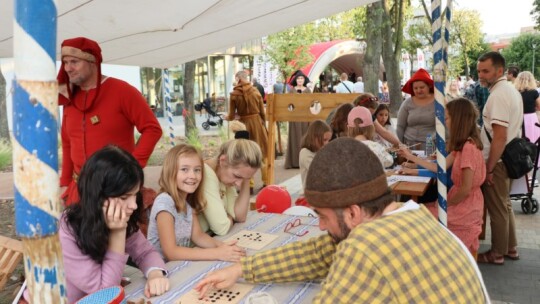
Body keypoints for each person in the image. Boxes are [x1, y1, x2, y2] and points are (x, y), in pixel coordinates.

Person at [194, 138, 488, 303]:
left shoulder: (364, 246)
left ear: (352, 212)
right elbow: (318, 252)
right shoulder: (410, 217)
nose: (319, 226)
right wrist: (243, 268)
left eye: (322, 216)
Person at [57, 37, 162, 206]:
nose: (68, 68)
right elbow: (68, 142)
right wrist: (65, 183)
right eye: (65, 62)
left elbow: (152, 129)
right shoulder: (70, 98)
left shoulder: (122, 91)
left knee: (120, 233)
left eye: (74, 62)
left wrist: (132, 167)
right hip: (79, 191)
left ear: (92, 62)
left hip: (117, 190)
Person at [59, 146, 169, 303]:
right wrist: (117, 234)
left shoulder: (118, 217)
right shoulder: (68, 230)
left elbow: (145, 253)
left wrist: (155, 274)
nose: (134, 205)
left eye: (135, 195)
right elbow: (104, 294)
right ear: (99, 197)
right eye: (124, 197)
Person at [399, 98, 486, 257]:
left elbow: (465, 189)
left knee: (415, 214)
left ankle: (428, 257)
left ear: (457, 119)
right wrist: (410, 157)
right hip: (461, 203)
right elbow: (438, 167)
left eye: (446, 118)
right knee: (416, 211)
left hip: (464, 209)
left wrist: (444, 203)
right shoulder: (462, 146)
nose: (445, 122)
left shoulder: (468, 148)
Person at [147, 144, 246, 262]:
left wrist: (223, 247)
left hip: (178, 265)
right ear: (170, 172)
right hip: (160, 269)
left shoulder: (186, 203)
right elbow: (171, 253)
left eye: (197, 170)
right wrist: (216, 253)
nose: (192, 176)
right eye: (184, 169)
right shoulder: (164, 203)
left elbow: (199, 236)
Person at [477, 51, 523, 265]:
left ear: (499, 71)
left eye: (485, 71)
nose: (481, 75)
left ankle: (496, 253)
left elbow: (500, 137)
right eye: (479, 71)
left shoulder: (498, 95)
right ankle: (510, 248)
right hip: (507, 159)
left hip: (500, 160)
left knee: (497, 209)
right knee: (504, 205)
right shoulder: (510, 91)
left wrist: (489, 167)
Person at [199, 139, 263, 236]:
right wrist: (229, 218)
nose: (238, 184)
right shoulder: (205, 174)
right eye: (237, 176)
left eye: (246, 179)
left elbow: (239, 216)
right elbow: (221, 228)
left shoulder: (224, 174)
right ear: (223, 161)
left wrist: (246, 178)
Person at [227, 71, 269, 186]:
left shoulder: (234, 94)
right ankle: (266, 181)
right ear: (246, 78)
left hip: (243, 125)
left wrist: (227, 117)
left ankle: (249, 184)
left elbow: (231, 116)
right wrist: (263, 125)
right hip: (257, 124)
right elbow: (262, 113)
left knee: (245, 153)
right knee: (262, 152)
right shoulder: (256, 91)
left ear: (237, 79)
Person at [396, 68, 436, 150]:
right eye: (415, 88)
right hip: (408, 143)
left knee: (427, 162)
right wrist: (399, 144)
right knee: (408, 163)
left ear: (429, 86)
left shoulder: (438, 102)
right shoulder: (407, 103)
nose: (418, 90)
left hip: (430, 143)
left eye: (422, 87)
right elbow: (400, 126)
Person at [284, 70, 311, 169]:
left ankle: (304, 161)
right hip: (294, 117)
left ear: (304, 80)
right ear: (296, 80)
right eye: (298, 78)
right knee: (295, 138)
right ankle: (294, 162)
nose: (300, 80)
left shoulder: (307, 90)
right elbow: (288, 104)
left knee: (304, 137)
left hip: (305, 117)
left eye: (302, 78)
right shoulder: (291, 90)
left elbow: (311, 103)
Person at [299, 120, 332, 190]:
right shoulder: (305, 153)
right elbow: (319, 172)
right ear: (314, 138)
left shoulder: (320, 151)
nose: (327, 143)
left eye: (328, 140)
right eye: (324, 140)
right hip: (309, 196)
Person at [514, 71, 540, 143]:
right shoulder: (534, 92)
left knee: (519, 138)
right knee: (533, 137)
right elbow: (539, 106)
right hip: (531, 117)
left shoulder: (515, 92)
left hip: (518, 117)